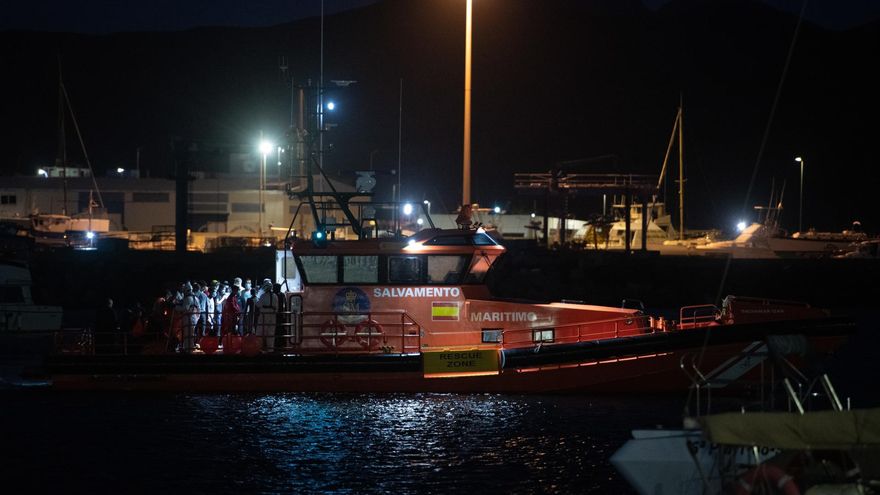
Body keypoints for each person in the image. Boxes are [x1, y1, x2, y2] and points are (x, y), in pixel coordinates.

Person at [257, 280, 278, 352]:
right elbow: (276, 308)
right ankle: (270, 349)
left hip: (263, 316)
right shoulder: (275, 296)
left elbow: (258, 304)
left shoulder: (263, 296)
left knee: (260, 332)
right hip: (272, 316)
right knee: (271, 333)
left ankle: (259, 348)